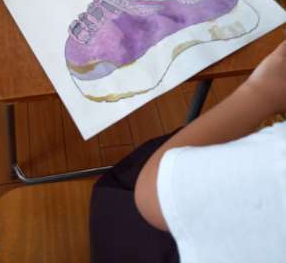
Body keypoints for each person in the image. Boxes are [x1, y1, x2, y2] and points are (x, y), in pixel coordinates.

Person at [90, 41, 286, 262]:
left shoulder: (277, 160)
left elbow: (152, 195)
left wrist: (260, 92)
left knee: (131, 179)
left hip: (153, 223)